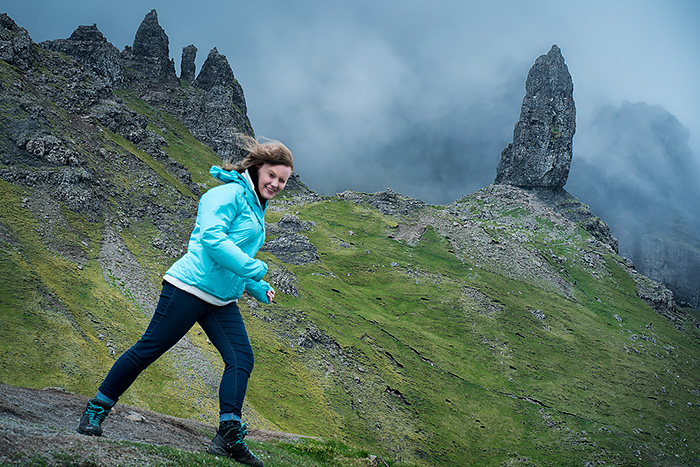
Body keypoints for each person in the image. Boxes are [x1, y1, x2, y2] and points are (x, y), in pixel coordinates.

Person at [77, 134, 294, 467]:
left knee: (241, 359)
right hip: (188, 288)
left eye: (283, 180)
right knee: (148, 349)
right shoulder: (227, 194)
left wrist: (255, 284)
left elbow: (236, 251)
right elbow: (212, 239)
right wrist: (256, 267)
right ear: (257, 168)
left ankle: (228, 435)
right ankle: (96, 409)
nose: (276, 184)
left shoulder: (255, 204)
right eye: (272, 176)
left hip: (222, 300)